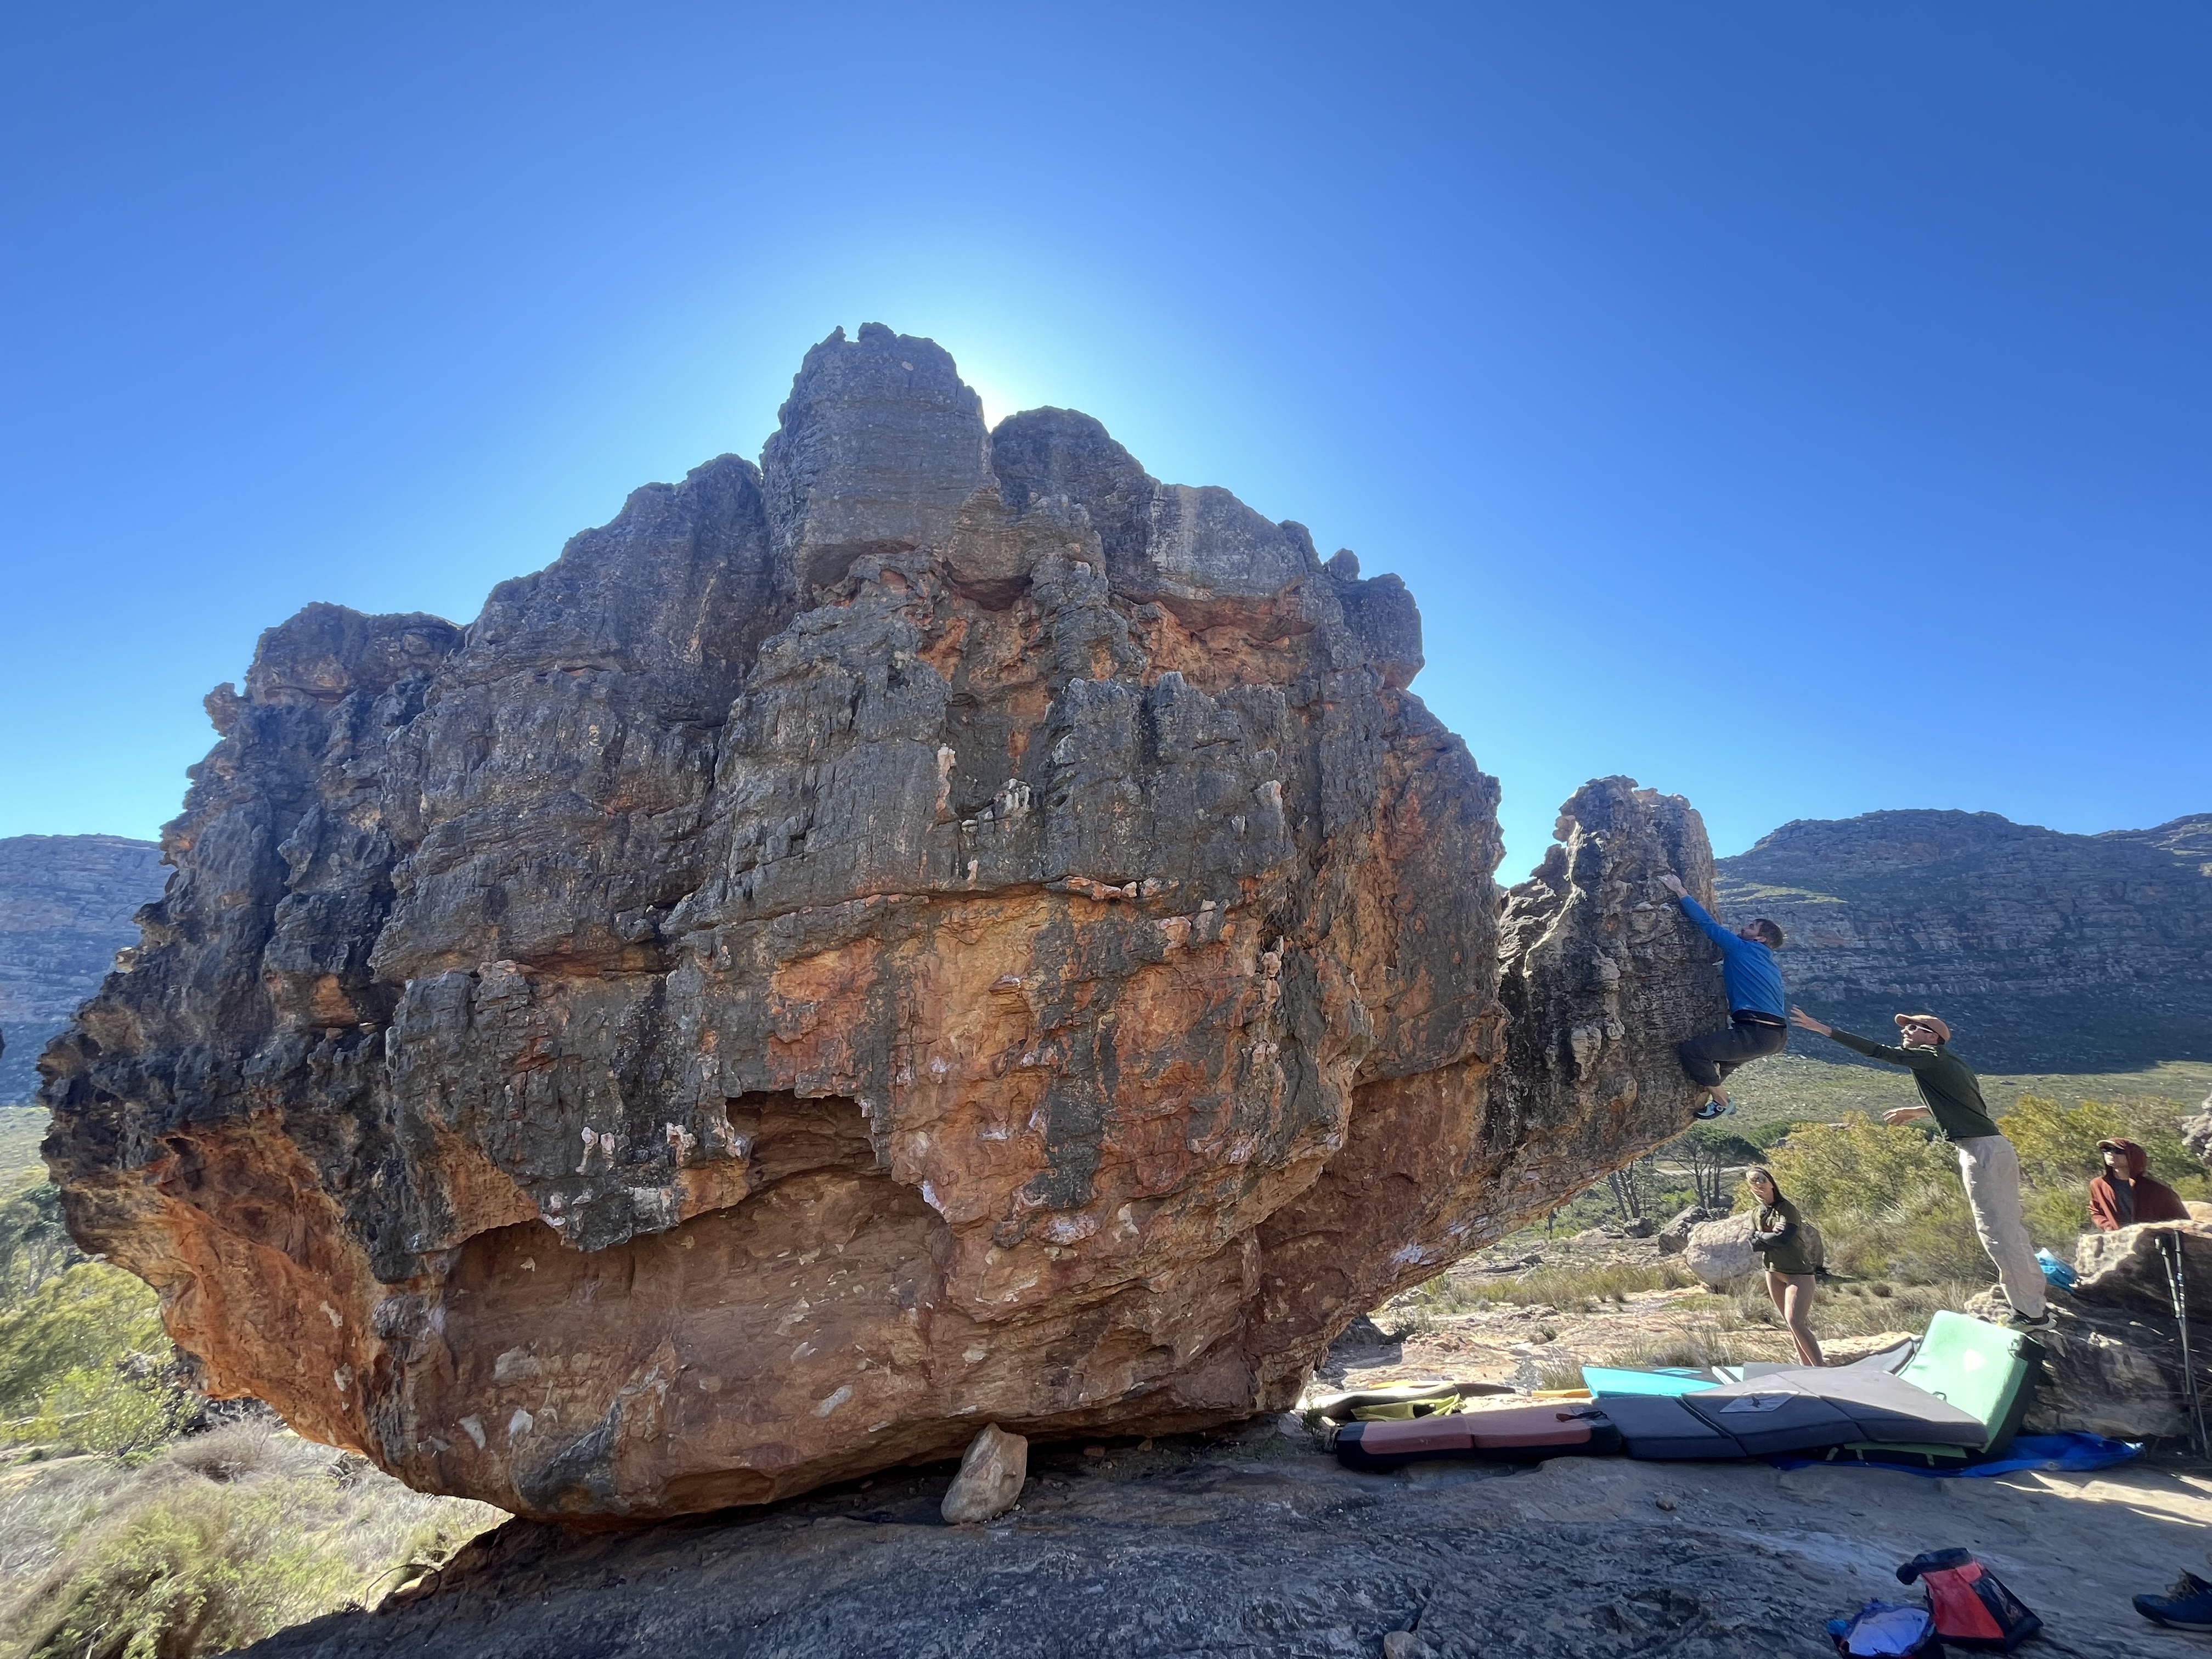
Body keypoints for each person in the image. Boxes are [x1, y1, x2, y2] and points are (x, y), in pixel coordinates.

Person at [1788, 1005, 2050, 1330]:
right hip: (1995, 1149)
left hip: (1980, 1152)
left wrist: (1823, 1029)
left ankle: (2030, 1315)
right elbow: (1962, 1103)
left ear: (1932, 1037)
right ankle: (2035, 1302)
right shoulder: (1951, 1063)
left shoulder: (1930, 1057)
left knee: (1997, 1233)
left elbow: (1878, 1052)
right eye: (1905, 1028)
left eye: (1912, 1028)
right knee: (2011, 1230)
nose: (1905, 1032)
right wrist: (1917, 1111)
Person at [1658, 872, 1787, 1120]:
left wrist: (1680, 891)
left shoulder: (1742, 948)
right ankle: (1720, 1097)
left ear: (1760, 938)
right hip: (1776, 1036)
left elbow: (1707, 925)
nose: (1744, 928)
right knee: (1717, 1068)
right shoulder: (1769, 962)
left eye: (1751, 927)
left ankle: (1722, 1102)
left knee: (1693, 1052)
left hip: (1756, 1032)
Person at [1747, 1165, 1824, 1367]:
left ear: (1771, 1183)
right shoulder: (1756, 1213)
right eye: (1753, 1181)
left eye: (1761, 1179)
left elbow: (1784, 1239)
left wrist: (1762, 1235)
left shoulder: (1786, 1208)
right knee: (1791, 1326)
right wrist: (1769, 1234)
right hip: (1773, 1272)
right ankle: (1806, 1369)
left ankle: (1823, 1371)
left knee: (1796, 1321)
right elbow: (1753, 1245)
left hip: (1799, 1273)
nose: (1758, 1184)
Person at [2089, 1138, 2192, 1231]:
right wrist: (2109, 1227)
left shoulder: (2156, 1189)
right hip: (2117, 1240)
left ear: (2132, 1156)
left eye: (2118, 1151)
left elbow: (2181, 1219)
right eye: (2106, 1149)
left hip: (2149, 1242)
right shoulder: (2099, 1185)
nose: (2110, 1154)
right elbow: (2096, 1211)